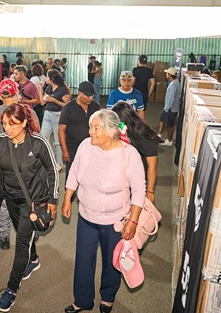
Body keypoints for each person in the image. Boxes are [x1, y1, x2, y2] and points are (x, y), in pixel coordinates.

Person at [62, 109, 145, 313]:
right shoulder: (85, 146)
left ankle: (107, 297)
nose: (91, 131)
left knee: (112, 261)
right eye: (90, 126)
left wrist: (132, 222)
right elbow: (73, 171)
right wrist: (67, 198)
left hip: (114, 221)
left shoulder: (129, 154)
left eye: (96, 128)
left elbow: (139, 189)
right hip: (86, 217)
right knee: (83, 260)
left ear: (111, 131)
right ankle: (82, 300)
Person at [0, 103, 58, 312]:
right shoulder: (0, 142)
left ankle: (11, 290)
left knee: (21, 244)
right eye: (4, 124)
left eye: (13, 124)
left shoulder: (37, 142)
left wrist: (52, 200)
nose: (7, 128)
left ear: (25, 122)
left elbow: (52, 171)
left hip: (33, 203)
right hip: (11, 201)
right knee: (24, 237)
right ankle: (34, 260)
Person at [0, 79, 40, 251]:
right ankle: (32, 231)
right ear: (17, 93)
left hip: (2, 165)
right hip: (26, 164)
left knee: (5, 203)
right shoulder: (27, 112)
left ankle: (4, 236)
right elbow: (36, 138)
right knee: (29, 200)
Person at [112, 101, 162, 204]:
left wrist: (150, 191)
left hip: (138, 180)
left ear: (124, 120)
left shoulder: (145, 136)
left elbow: (152, 166)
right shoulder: (120, 131)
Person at [59, 81, 101, 181]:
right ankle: (70, 195)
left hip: (92, 145)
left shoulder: (96, 106)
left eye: (92, 95)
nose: (90, 98)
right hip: (73, 147)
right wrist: (65, 151)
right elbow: (61, 130)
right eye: (87, 95)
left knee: (91, 172)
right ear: (79, 93)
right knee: (72, 173)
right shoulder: (68, 108)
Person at [39, 69, 71, 172]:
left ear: (52, 79)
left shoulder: (63, 90)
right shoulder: (48, 87)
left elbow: (67, 105)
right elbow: (42, 103)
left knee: (58, 141)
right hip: (47, 114)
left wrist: (55, 101)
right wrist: (40, 89)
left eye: (47, 77)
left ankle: (59, 163)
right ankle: (47, 161)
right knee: (43, 138)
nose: (46, 78)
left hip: (58, 115)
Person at [157, 67, 181, 146]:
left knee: (170, 125)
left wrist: (166, 108)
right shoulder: (176, 82)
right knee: (162, 119)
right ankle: (159, 135)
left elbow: (171, 99)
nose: (166, 75)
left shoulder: (173, 85)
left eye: (167, 73)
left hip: (171, 109)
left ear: (170, 75)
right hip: (169, 108)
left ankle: (169, 140)